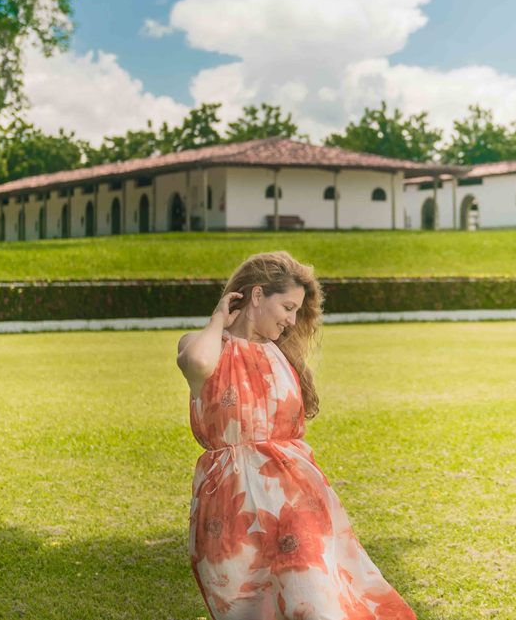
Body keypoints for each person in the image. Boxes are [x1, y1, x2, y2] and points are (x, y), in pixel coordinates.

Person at [177, 251, 416, 619]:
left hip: (295, 501)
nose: (290, 321)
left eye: (296, 311)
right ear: (256, 296)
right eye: (287, 307)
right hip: (230, 506)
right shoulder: (202, 344)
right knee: (249, 609)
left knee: (314, 603)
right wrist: (217, 319)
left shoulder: (281, 356)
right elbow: (197, 365)